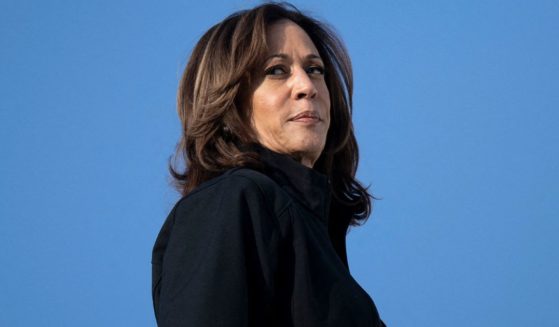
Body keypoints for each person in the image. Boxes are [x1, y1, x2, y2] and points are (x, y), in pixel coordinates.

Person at [152, 2, 386, 326]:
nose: (307, 87)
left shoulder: (314, 237)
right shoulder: (234, 198)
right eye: (276, 70)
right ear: (229, 103)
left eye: (315, 69)